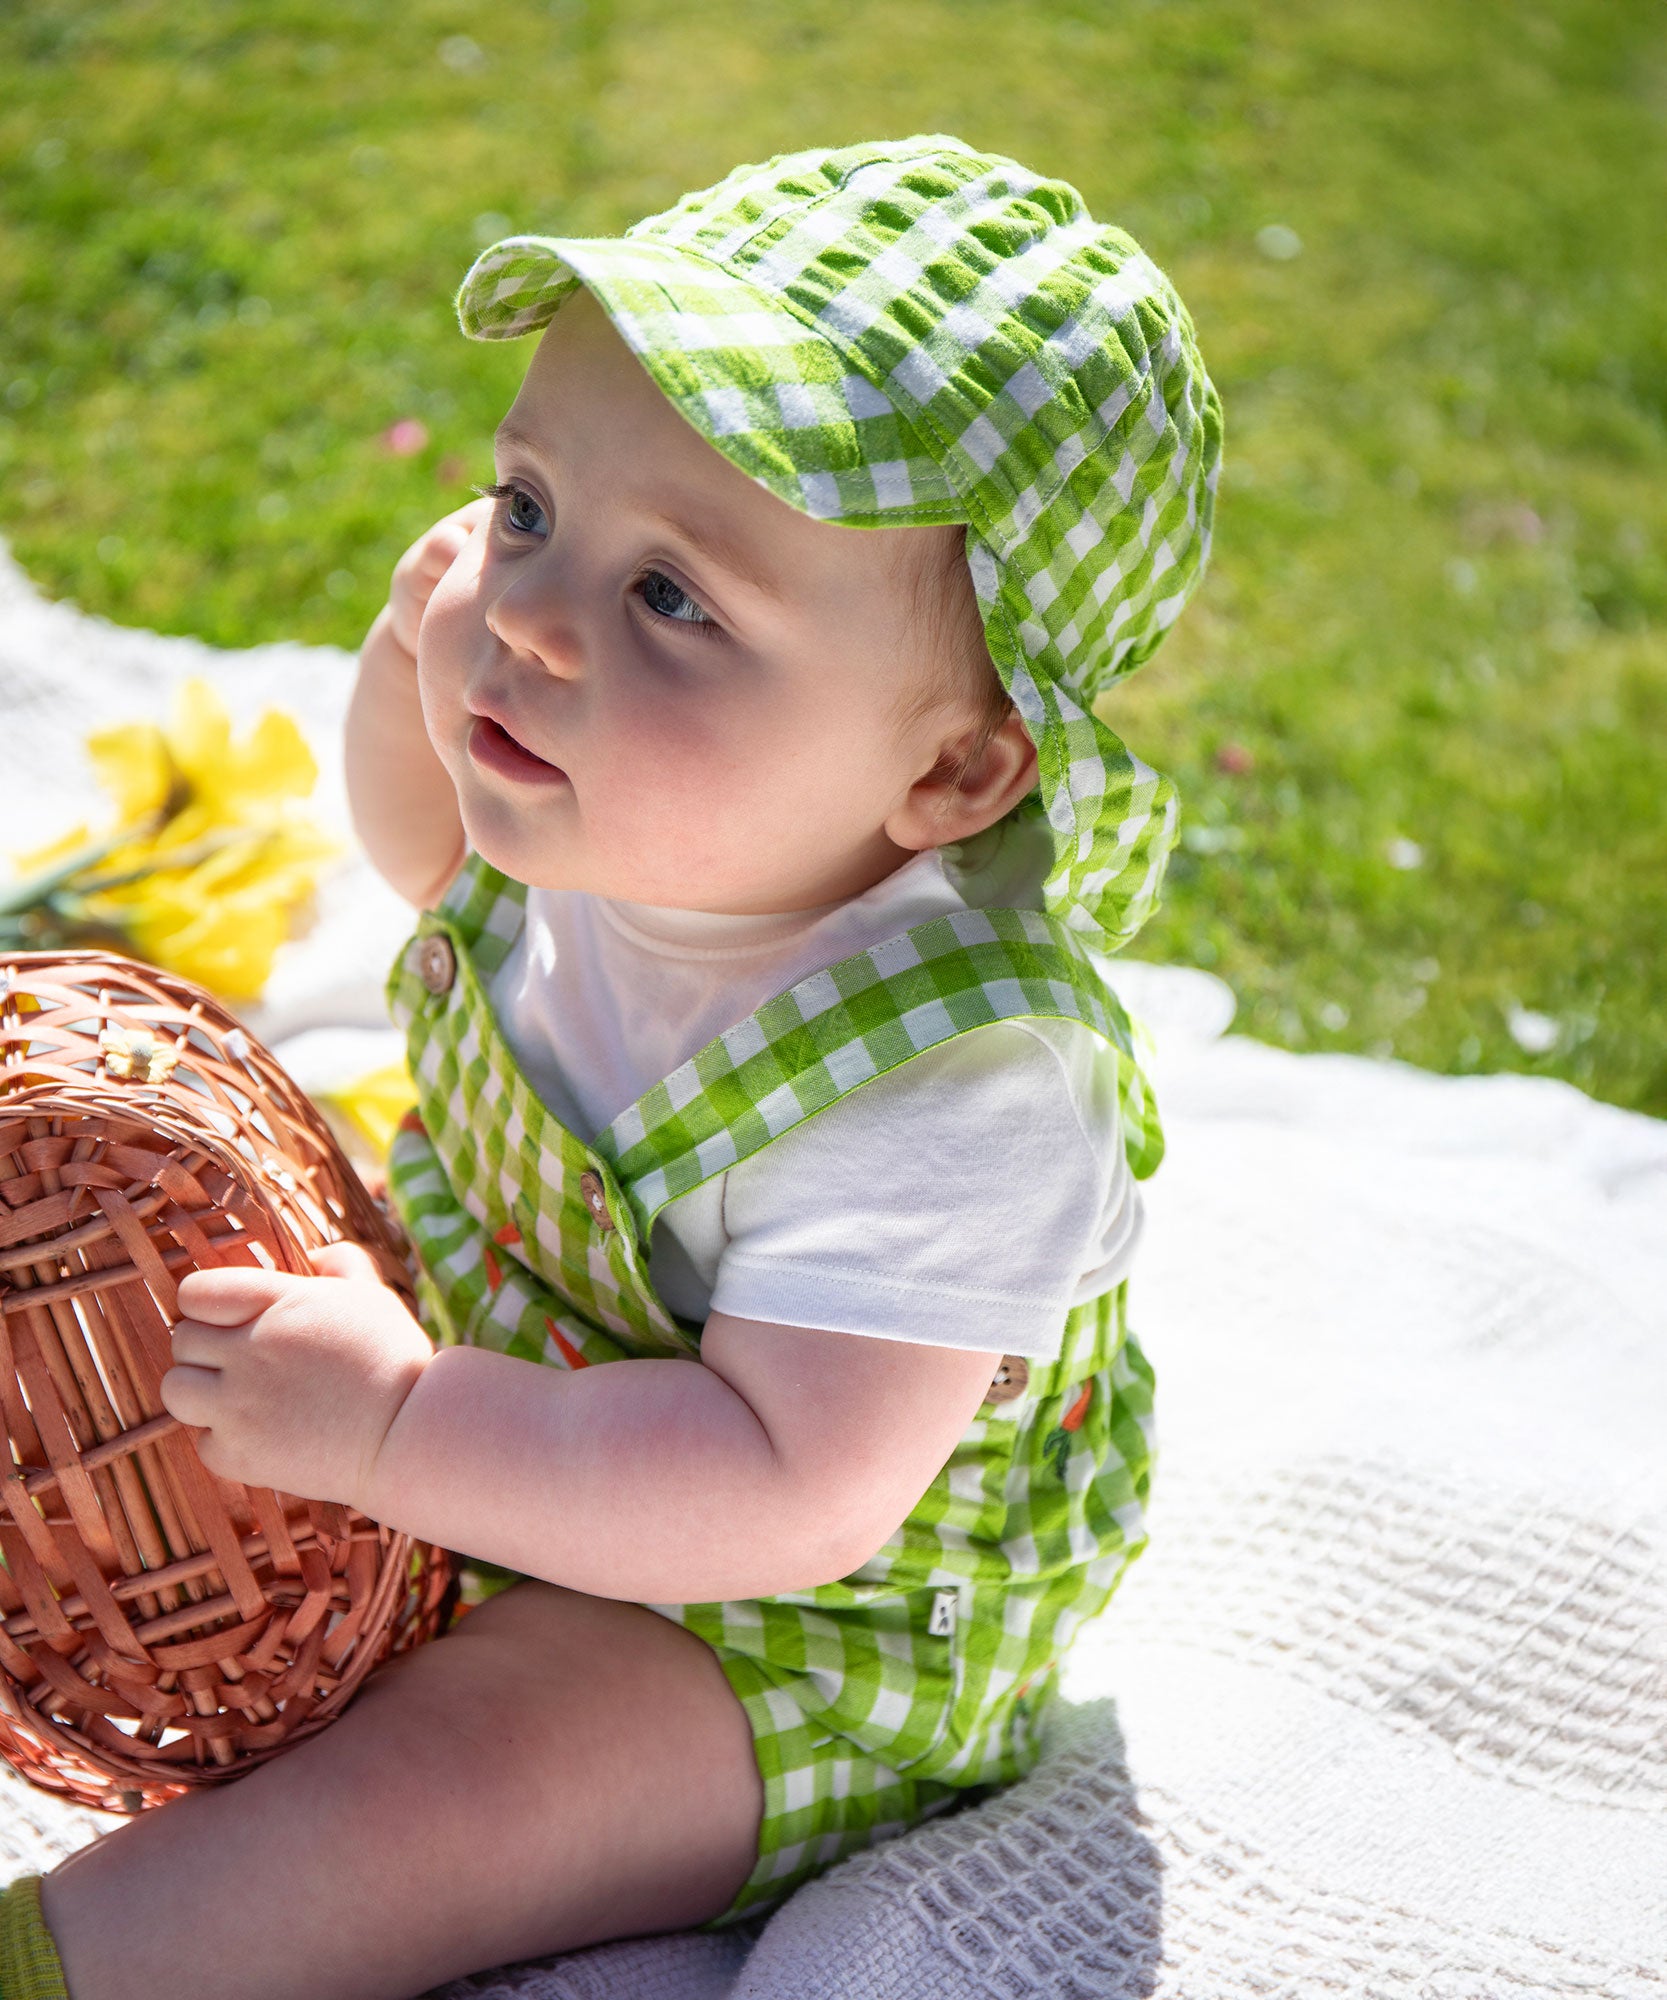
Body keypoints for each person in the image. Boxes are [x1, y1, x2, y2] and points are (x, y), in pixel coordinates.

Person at [3, 135, 1222, 2000]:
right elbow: (431, 861)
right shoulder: (630, 801)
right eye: (526, 508)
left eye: (676, 601)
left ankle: (83, 1959)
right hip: (508, 1396)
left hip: (776, 1623)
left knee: (441, 1797)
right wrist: (412, 677)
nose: (532, 619)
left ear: (956, 777)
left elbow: (786, 1483)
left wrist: (404, 1433)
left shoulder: (948, 1095)